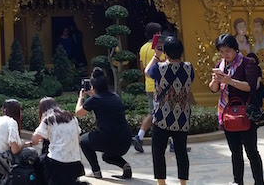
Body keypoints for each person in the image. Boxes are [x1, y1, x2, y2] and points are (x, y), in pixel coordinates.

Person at [210, 33, 263, 185]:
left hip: (246, 113)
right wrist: (215, 81)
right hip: (227, 113)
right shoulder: (220, 65)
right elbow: (214, 89)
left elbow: (251, 87)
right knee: (235, 151)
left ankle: (259, 181)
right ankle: (237, 181)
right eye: (221, 52)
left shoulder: (247, 63)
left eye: (227, 51)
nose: (224, 55)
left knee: (251, 151)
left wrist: (230, 81)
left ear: (235, 49)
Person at [146, 36, 193, 185]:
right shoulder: (188, 67)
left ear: (165, 52)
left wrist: (156, 56)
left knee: (158, 151)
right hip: (182, 117)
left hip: (162, 117)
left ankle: (162, 182)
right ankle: (183, 183)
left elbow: (147, 71)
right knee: (181, 152)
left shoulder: (160, 68)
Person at [76, 67, 132, 179]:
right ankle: (125, 166)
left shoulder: (95, 100)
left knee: (82, 141)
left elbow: (78, 113)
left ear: (93, 86)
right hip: (125, 141)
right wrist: (93, 95)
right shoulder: (115, 96)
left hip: (110, 140)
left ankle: (96, 171)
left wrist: (81, 98)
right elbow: (102, 101)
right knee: (107, 156)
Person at [30, 97, 85, 184]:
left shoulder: (48, 119)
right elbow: (78, 139)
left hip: (56, 162)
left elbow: (34, 140)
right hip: (75, 162)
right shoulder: (72, 117)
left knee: (37, 164)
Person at [0, 99, 39, 184]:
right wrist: (23, 143)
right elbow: (15, 150)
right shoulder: (12, 122)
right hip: (0, 159)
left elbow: (10, 146)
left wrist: (29, 144)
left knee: (26, 151)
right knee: (32, 153)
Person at [132, 22, 162, 153]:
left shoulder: (143, 48)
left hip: (148, 85)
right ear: (157, 34)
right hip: (160, 85)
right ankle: (139, 136)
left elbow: (142, 67)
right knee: (160, 113)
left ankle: (140, 136)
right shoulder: (160, 49)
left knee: (156, 113)